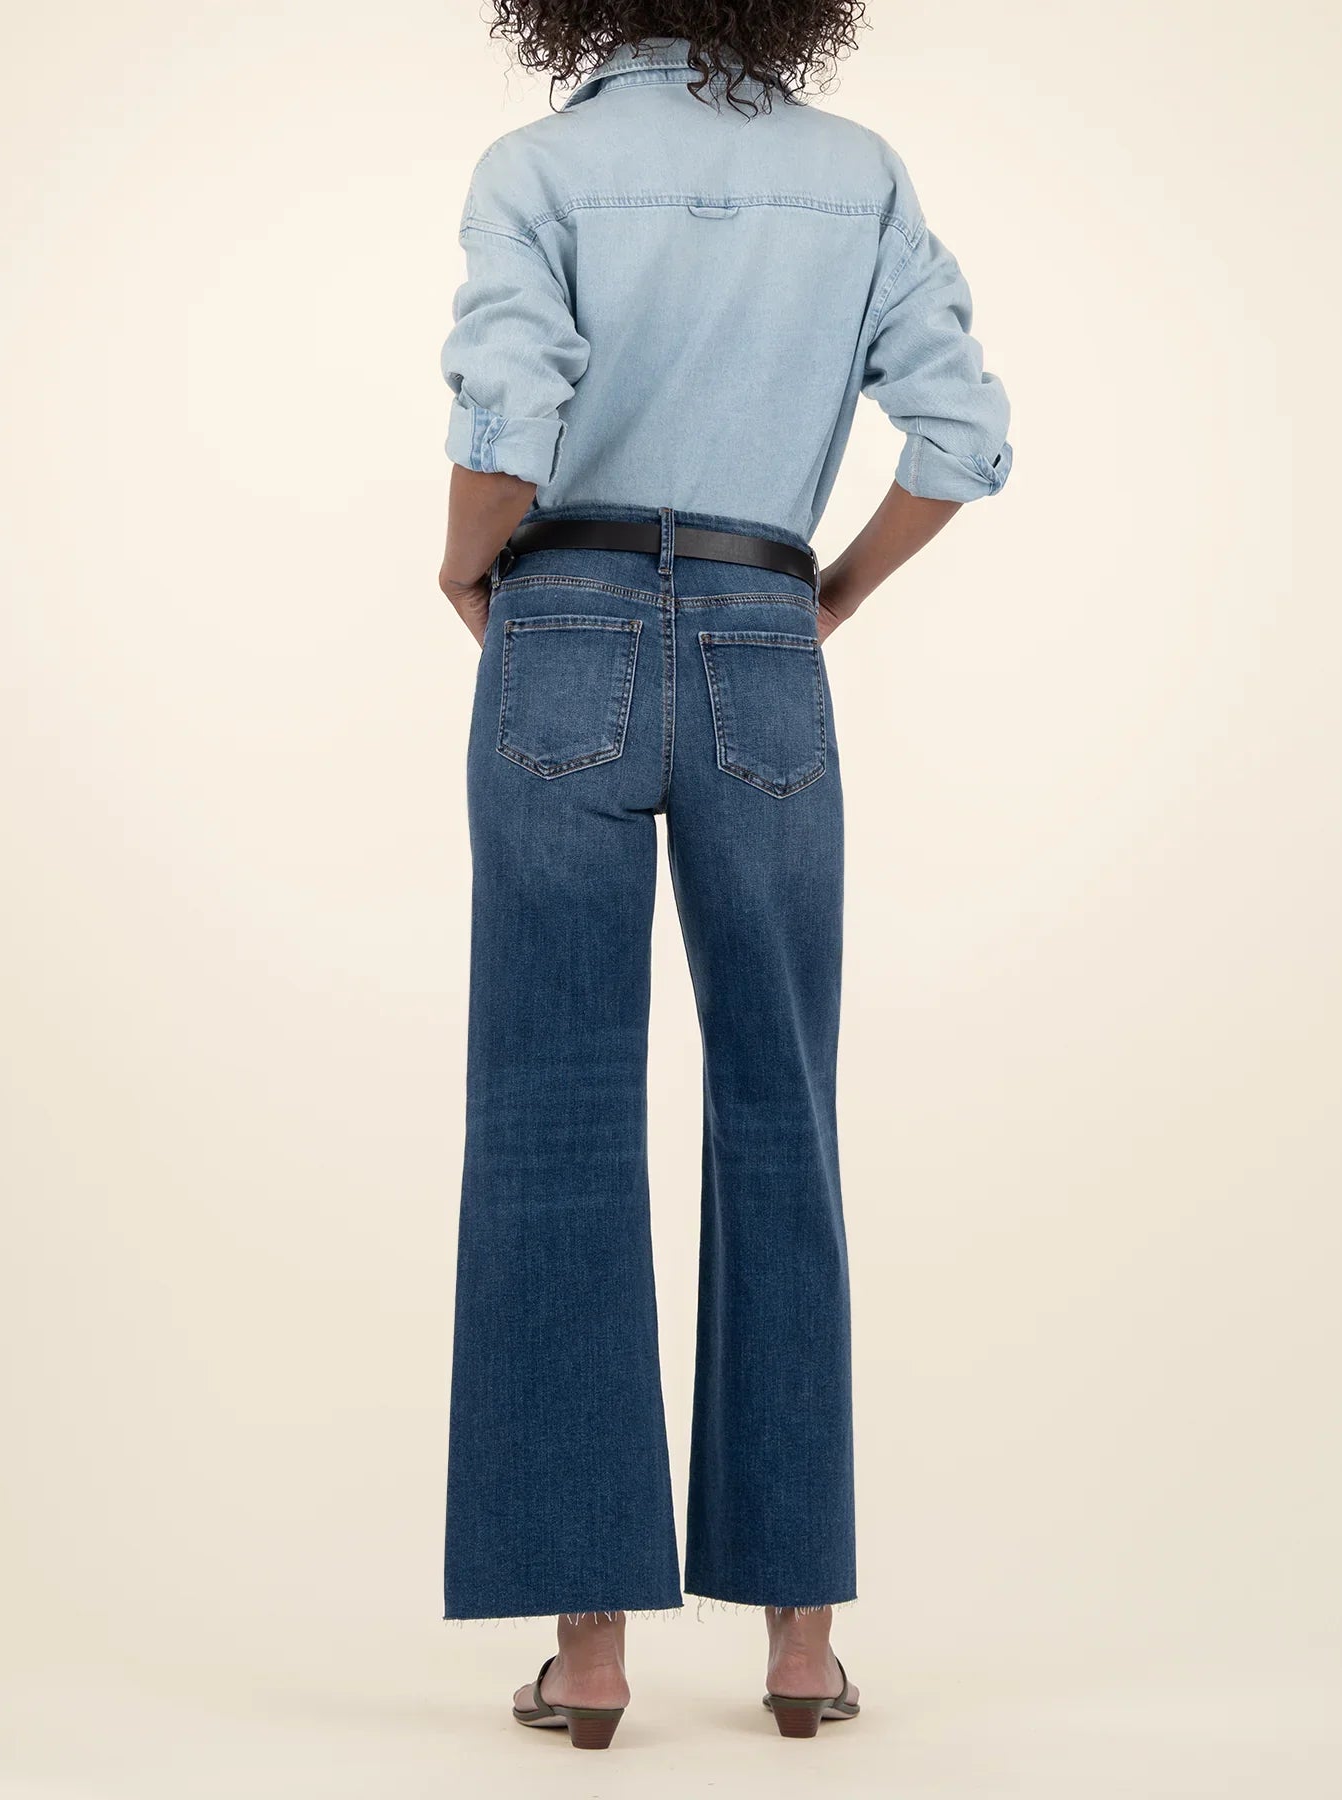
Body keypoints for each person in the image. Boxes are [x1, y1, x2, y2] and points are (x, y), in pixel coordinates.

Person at [437, 3, 1012, 1750]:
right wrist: (830, 591)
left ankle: (592, 1656)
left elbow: (509, 411)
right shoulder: (856, 172)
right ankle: (800, 1645)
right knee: (781, 1110)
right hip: (767, 628)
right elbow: (961, 432)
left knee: (550, 1112)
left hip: (563, 618)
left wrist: (466, 572)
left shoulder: (539, 168)